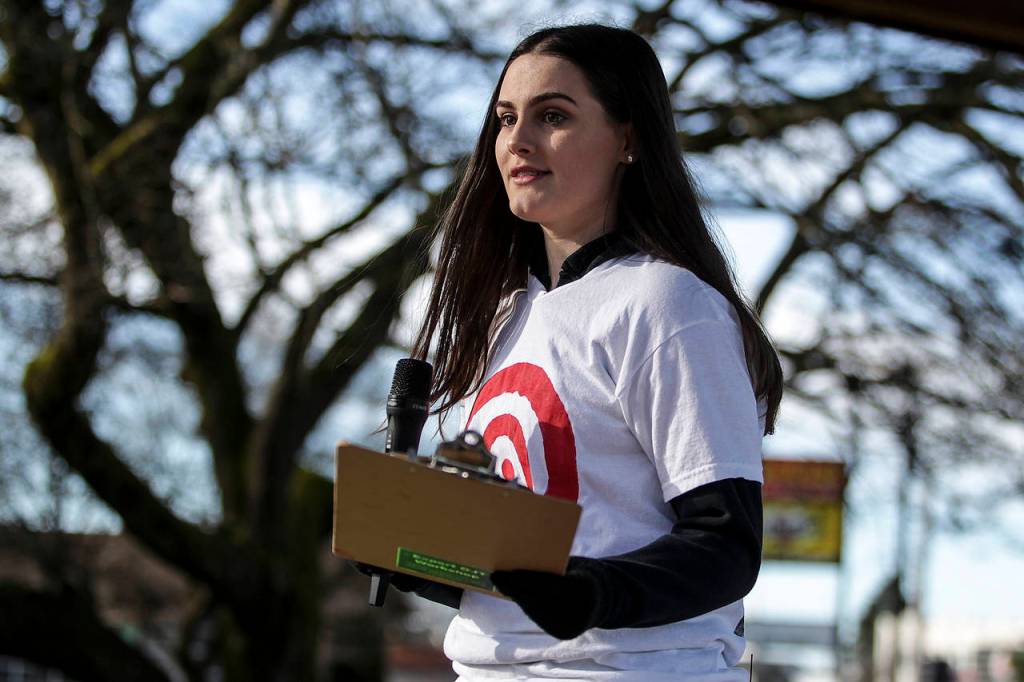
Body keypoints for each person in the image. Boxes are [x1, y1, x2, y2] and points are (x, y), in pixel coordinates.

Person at [402, 23, 784, 681]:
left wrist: (593, 593)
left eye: (553, 116)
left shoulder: (669, 304)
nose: (517, 141)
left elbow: (726, 547)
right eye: (505, 118)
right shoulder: (499, 316)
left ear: (628, 139)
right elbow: (511, 570)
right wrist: (411, 556)